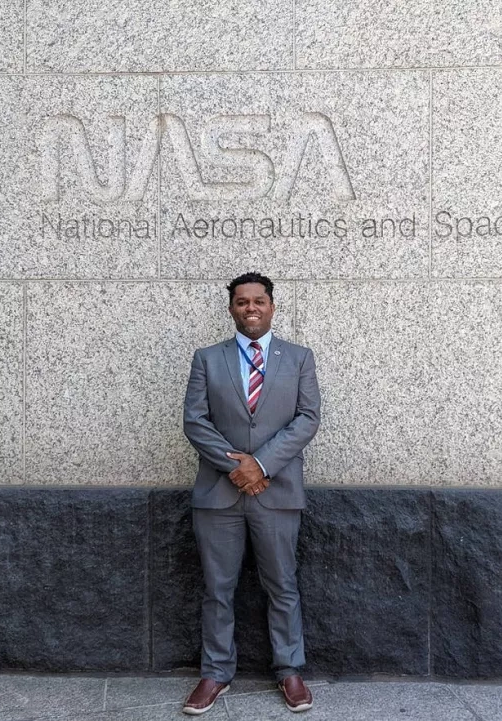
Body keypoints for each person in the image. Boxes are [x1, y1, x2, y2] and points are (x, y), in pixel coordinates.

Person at [181, 272, 321, 715]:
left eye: (258, 301)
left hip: (276, 492)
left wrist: (259, 464)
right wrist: (236, 466)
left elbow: (307, 418)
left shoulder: (299, 358)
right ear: (231, 310)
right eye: (242, 302)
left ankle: (289, 671)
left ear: (272, 306)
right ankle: (215, 674)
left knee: (282, 585)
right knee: (217, 588)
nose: (250, 308)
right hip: (218, 495)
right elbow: (195, 421)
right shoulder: (207, 358)